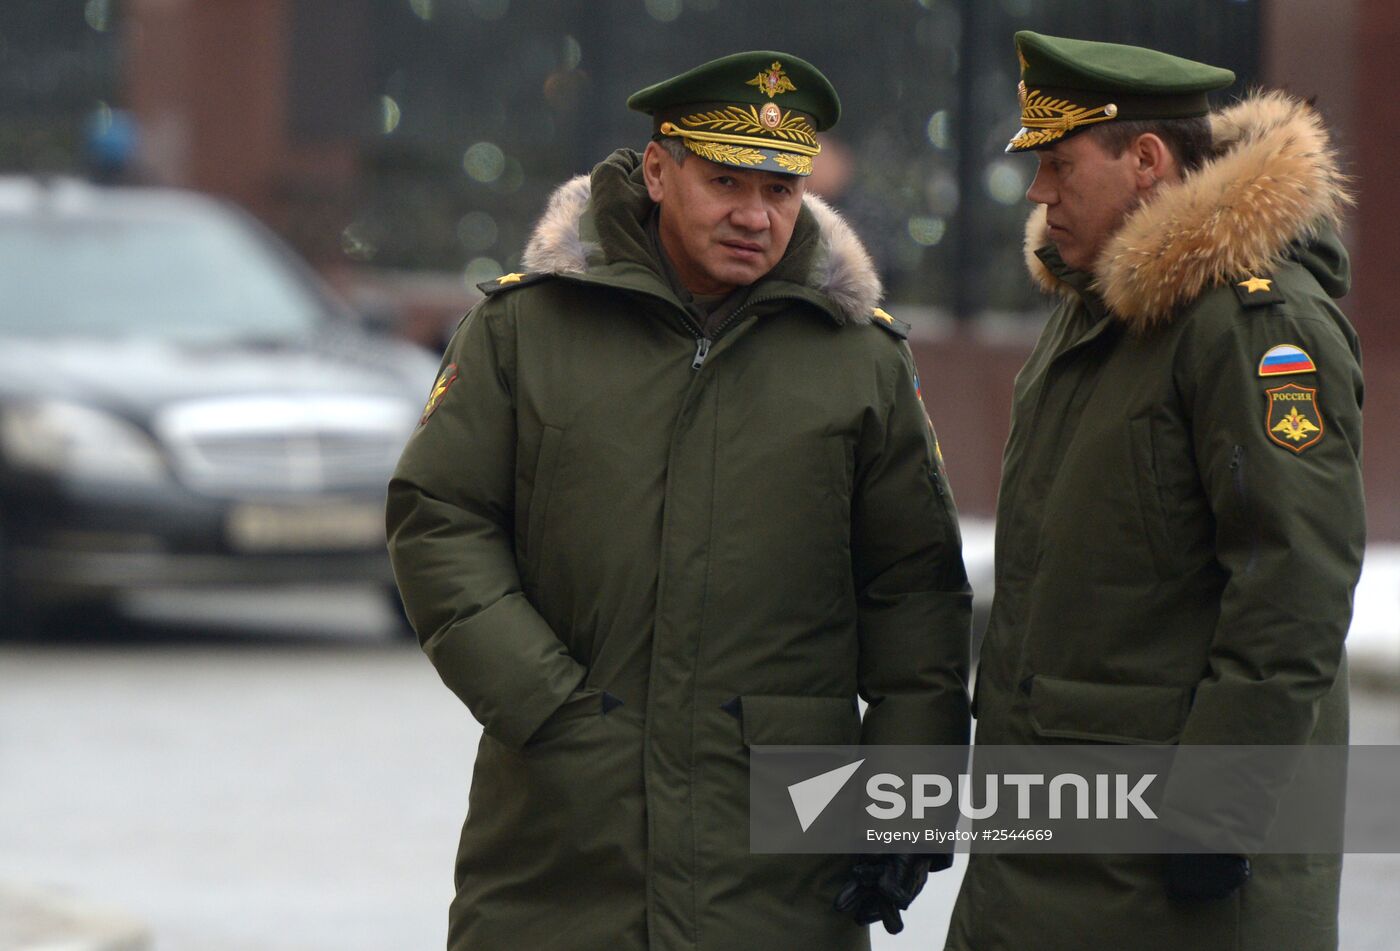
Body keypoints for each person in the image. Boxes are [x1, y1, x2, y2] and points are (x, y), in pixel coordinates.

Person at [387, 50, 972, 951]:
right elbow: (440, 518)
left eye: (780, 189)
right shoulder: (526, 330)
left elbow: (914, 588)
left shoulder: (860, 359)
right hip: (561, 842)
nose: (755, 215)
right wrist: (548, 707)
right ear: (659, 171)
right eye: (725, 181)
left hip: (779, 866)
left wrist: (908, 799)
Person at [945, 31, 1363, 951]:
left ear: (1144, 160)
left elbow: (1293, 583)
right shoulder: (1095, 312)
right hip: (1055, 853)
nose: (1039, 192)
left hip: (1165, 876)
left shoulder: (1254, 322)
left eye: (1060, 165)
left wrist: (1218, 809)